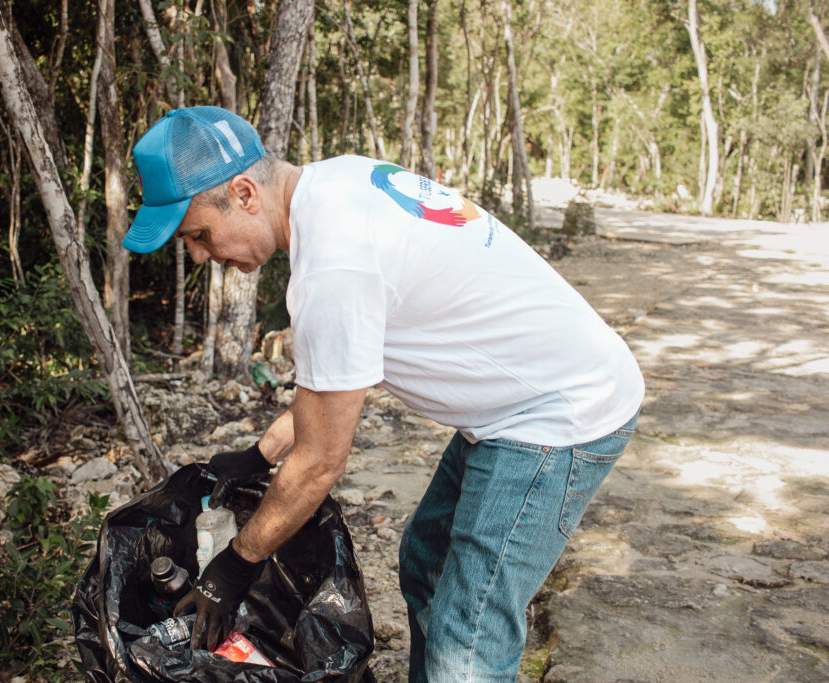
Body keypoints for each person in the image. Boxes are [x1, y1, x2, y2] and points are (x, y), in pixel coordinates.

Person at [123, 106, 645, 682]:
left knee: (468, 629)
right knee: (426, 561)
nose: (198, 254)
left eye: (198, 234)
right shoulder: (336, 184)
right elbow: (332, 386)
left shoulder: (333, 268)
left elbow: (321, 461)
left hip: (556, 414)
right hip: (517, 400)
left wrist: (234, 565)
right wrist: (259, 455)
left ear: (244, 193)